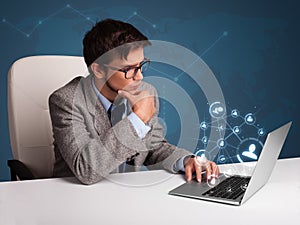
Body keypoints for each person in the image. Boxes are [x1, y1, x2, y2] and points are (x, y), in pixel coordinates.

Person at [49, 18, 219, 185]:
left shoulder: (145, 92)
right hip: (77, 197)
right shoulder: (66, 101)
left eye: (141, 65)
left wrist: (186, 160)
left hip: (128, 195)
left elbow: (153, 146)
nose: (140, 76)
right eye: (129, 69)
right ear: (99, 70)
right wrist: (137, 119)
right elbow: (85, 170)